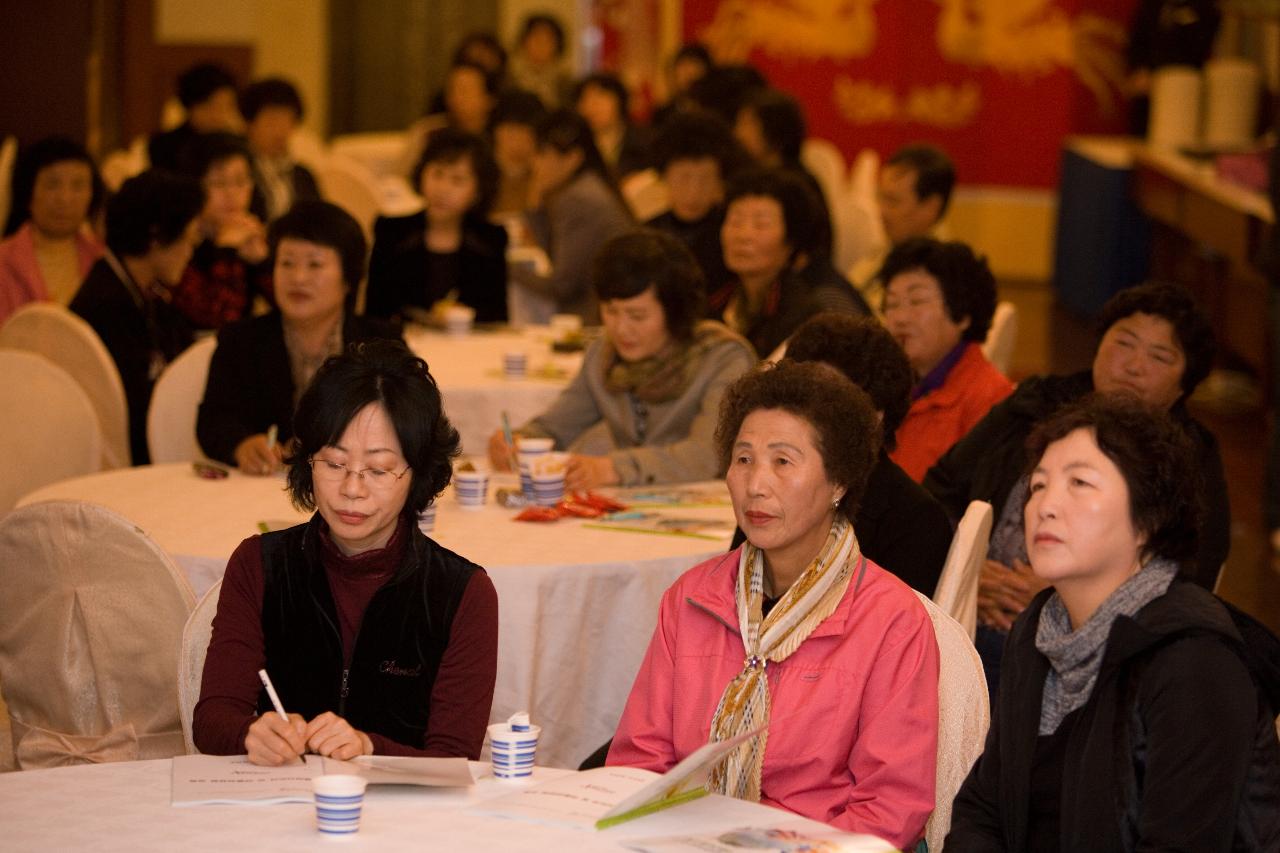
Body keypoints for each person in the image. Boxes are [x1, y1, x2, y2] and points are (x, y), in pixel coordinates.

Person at [608, 361, 939, 851]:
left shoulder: (890, 620)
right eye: (743, 459)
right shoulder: (692, 599)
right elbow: (640, 761)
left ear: (840, 482)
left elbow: (889, 807)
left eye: (783, 462)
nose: (756, 485)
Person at [946, 394, 1280, 852]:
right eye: (1038, 485)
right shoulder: (1038, 629)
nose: (1045, 505)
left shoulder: (1196, 663)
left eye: (1079, 482)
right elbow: (983, 808)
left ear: (1149, 518)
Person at [194, 340, 499, 764]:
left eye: (378, 469)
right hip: (276, 810)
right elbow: (212, 719)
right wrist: (249, 733)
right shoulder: (259, 565)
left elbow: (454, 758)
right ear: (307, 461)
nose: (351, 490)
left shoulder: (462, 593)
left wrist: (369, 748)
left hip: (405, 821)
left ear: (418, 474)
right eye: (334, 464)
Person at [924, 281, 1231, 690]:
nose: (1133, 365)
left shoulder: (1189, 460)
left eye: (1159, 356)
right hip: (969, 610)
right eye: (1123, 343)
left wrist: (1078, 593)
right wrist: (965, 568)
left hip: (1093, 649)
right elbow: (939, 489)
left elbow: (1192, 572)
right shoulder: (1034, 405)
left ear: (1183, 385)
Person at [490, 229, 755, 489]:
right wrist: (519, 440)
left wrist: (614, 468)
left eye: (637, 316)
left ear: (675, 312)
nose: (620, 328)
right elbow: (558, 426)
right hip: (632, 505)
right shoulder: (603, 356)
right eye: (610, 311)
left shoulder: (723, 358)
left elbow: (707, 456)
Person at [729, 313, 952, 595]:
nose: (805, 414)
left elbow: (898, 628)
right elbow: (732, 594)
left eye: (826, 402)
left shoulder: (914, 519)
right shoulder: (767, 491)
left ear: (874, 416)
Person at [198, 200, 401, 474]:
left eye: (315, 265)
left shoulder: (381, 343)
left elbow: (410, 423)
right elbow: (214, 420)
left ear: (348, 279)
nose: (298, 278)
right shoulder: (241, 340)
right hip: (261, 490)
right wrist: (241, 444)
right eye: (287, 263)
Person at [70, 170, 204, 465]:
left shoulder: (143, 293)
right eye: (188, 240)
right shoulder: (105, 306)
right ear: (156, 237)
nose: (190, 252)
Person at [882, 237, 1012, 482]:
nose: (899, 318)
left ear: (962, 314)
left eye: (916, 301)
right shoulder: (882, 385)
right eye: (891, 304)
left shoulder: (989, 400)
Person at [717, 168, 867, 358]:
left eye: (760, 224)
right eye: (735, 222)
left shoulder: (812, 307)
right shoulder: (719, 299)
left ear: (791, 238)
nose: (743, 235)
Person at [367, 129, 508, 325]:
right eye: (437, 174)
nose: (443, 189)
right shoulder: (392, 232)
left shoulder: (491, 238)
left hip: (469, 346)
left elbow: (496, 318)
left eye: (457, 180)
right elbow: (375, 312)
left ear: (478, 191)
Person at [508, 109, 633, 323]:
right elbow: (556, 258)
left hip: (596, 319)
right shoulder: (587, 186)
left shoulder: (578, 199)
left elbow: (560, 287)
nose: (535, 164)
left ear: (573, 158)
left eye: (542, 154)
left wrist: (503, 268)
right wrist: (536, 205)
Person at [645, 110, 747, 306]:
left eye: (705, 180)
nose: (693, 192)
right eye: (683, 178)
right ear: (664, 177)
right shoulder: (648, 233)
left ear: (720, 182)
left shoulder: (732, 234)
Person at [172, 132, 272, 330]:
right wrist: (226, 252)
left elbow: (296, 313)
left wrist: (263, 263)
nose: (232, 193)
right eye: (219, 183)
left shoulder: (250, 233)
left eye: (240, 181)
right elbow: (218, 320)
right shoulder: (180, 243)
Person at [0, 136, 104, 325]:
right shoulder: (4, 261)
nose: (65, 199)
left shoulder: (101, 258)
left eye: (78, 186)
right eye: (52, 185)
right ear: (28, 190)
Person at [732, 87, 831, 259]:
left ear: (774, 130)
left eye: (748, 124)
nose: (738, 133)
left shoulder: (797, 185)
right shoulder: (749, 177)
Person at [851, 143, 956, 305]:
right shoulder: (883, 252)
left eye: (893, 201)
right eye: (881, 197)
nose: (881, 211)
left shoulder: (939, 276)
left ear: (930, 207)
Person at [239, 77, 322, 222]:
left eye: (288, 121)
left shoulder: (303, 175)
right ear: (249, 123)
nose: (280, 132)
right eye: (272, 121)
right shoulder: (240, 172)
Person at [148, 62, 241, 171]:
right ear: (190, 106)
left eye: (227, 106)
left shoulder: (235, 144)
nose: (220, 115)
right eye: (210, 106)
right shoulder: (164, 146)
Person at [573, 72, 650, 182]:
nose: (592, 107)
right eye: (585, 100)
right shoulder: (576, 148)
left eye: (600, 97)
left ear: (619, 101)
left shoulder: (644, 141)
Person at [488, 89, 548, 218]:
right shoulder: (481, 171)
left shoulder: (547, 176)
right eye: (511, 130)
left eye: (527, 131)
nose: (519, 138)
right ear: (496, 131)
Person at [508, 13, 573, 109]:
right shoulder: (510, 78)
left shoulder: (565, 83)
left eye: (547, 40)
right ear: (524, 41)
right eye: (536, 38)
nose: (541, 45)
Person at [650, 42, 714, 127]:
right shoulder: (662, 114)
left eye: (695, 67)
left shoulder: (714, 112)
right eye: (684, 67)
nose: (688, 74)